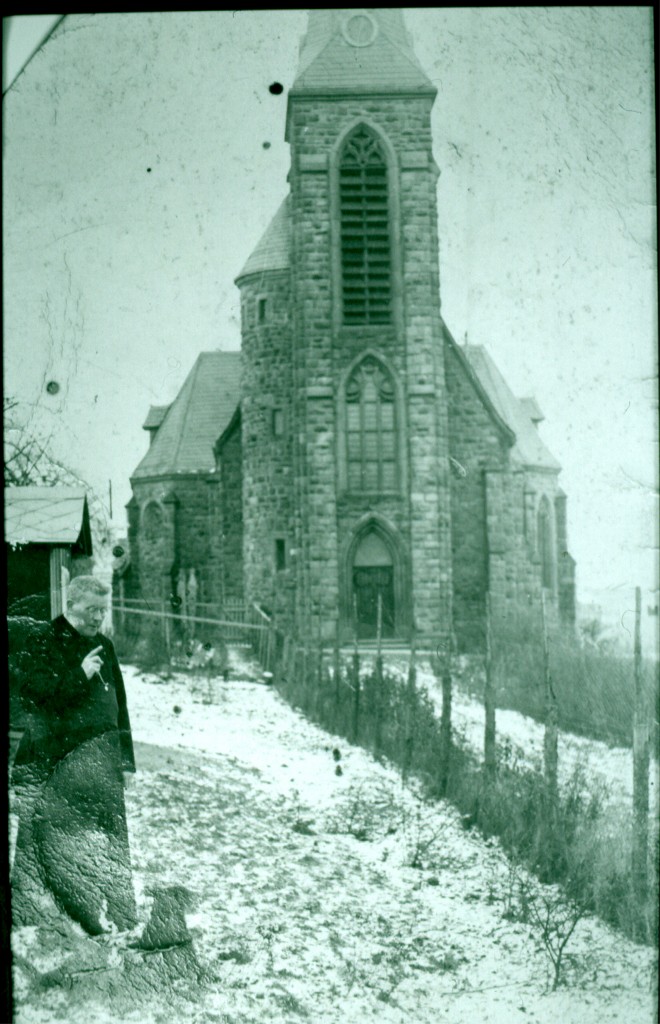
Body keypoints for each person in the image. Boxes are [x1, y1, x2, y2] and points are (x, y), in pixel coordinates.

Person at [11, 575, 138, 936]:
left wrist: (127, 762)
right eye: (91, 610)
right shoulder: (44, 640)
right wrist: (78, 675)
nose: (98, 617)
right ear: (71, 606)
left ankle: (121, 917)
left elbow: (121, 706)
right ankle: (50, 920)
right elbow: (36, 698)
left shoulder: (105, 646)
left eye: (103, 610)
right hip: (58, 762)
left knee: (112, 840)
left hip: (104, 760)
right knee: (55, 843)